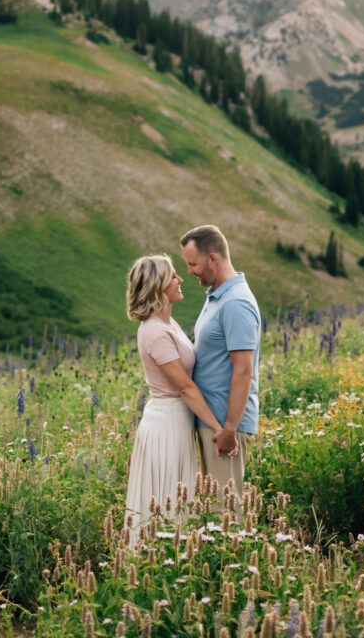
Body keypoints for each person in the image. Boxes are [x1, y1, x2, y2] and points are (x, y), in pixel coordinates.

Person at [124, 253, 229, 537]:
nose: (180, 279)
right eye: (172, 276)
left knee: (177, 496)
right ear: (158, 286)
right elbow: (184, 387)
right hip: (166, 423)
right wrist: (219, 428)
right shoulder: (156, 332)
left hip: (177, 419)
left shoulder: (168, 324)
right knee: (168, 495)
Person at [180, 224, 260, 499]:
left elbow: (243, 371)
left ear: (213, 258)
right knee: (212, 508)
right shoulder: (217, 295)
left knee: (226, 508)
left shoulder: (235, 303)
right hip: (211, 420)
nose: (189, 271)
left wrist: (229, 428)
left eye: (193, 264)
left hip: (224, 426)